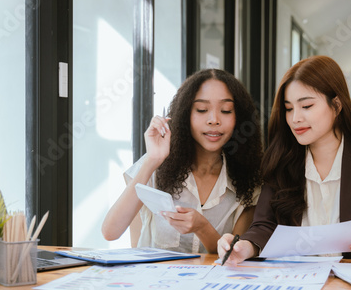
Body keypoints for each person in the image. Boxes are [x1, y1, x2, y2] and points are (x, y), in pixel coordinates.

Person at [218, 55, 351, 264]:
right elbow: (264, 226)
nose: (295, 118)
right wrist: (245, 247)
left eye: (306, 106)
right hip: (297, 283)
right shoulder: (281, 160)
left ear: (337, 105)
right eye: (289, 108)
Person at [102, 69, 263, 254]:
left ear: (238, 118)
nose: (214, 120)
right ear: (186, 114)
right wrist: (153, 159)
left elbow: (233, 256)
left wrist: (202, 227)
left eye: (225, 111)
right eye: (202, 110)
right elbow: (110, 232)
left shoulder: (249, 181)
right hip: (154, 281)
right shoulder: (156, 165)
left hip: (213, 282)